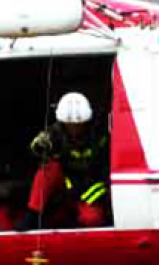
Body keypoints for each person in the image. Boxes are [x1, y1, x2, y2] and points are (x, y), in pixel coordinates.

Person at [19, 92, 110, 230]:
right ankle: (33, 215)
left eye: (78, 124)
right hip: (66, 186)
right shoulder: (57, 132)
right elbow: (37, 146)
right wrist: (39, 145)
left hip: (90, 190)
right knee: (48, 168)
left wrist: (85, 193)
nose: (74, 128)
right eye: (69, 124)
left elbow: (105, 176)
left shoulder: (100, 137)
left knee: (92, 219)